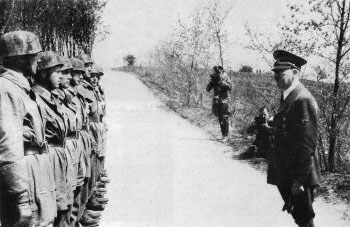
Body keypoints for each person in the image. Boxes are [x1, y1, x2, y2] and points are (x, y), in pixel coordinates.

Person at [0, 31, 56, 227]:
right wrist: (20, 196)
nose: (37, 61)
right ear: (20, 59)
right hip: (25, 181)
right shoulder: (6, 89)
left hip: (36, 175)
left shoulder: (21, 88)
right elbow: (8, 147)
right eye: (34, 56)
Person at [267, 50, 321, 227]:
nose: (276, 77)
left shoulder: (302, 99)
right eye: (275, 73)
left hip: (299, 174)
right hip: (288, 170)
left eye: (281, 73)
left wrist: (298, 181)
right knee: (300, 218)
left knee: (305, 219)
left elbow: (307, 145)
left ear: (296, 72)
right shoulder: (289, 95)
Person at [33, 50, 71, 227]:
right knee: (54, 209)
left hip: (58, 156)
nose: (61, 76)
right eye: (57, 72)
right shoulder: (37, 99)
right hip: (48, 159)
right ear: (43, 73)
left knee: (63, 205)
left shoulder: (51, 97)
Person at [206, 66, 232, 142]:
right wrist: (211, 82)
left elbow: (230, 87)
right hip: (217, 100)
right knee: (220, 118)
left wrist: (221, 82)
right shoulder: (214, 77)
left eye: (217, 71)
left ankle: (226, 136)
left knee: (225, 117)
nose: (216, 73)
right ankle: (223, 135)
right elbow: (207, 89)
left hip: (225, 100)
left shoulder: (226, 77)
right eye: (215, 71)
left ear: (221, 71)